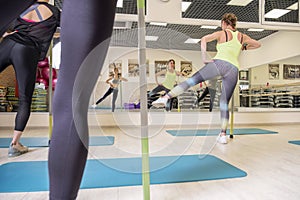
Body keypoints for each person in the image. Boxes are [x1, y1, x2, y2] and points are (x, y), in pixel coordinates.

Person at [153, 13, 261, 144]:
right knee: (224, 103)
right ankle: (222, 135)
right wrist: (244, 47)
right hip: (233, 69)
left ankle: (165, 98)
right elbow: (257, 44)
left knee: (192, 81)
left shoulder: (222, 33)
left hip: (219, 63)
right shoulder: (242, 36)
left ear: (224, 23)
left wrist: (204, 58)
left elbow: (203, 39)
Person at [0, 0, 60, 157]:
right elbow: (69, 30)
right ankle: (14, 144)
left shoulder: (21, 7)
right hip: (27, 51)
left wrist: (5, 34)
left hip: (8, 43)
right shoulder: (54, 11)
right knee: (25, 99)